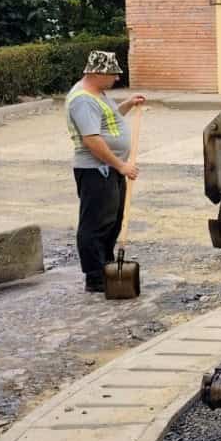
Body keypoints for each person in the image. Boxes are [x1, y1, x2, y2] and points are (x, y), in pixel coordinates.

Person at [66, 51, 145, 293]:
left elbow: (108, 120)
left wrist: (127, 105)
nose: (116, 79)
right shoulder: (82, 100)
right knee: (96, 224)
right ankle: (95, 275)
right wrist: (120, 165)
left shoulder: (97, 94)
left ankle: (107, 266)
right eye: (113, 74)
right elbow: (92, 139)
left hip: (109, 169)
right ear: (98, 73)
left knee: (112, 221)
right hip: (96, 171)